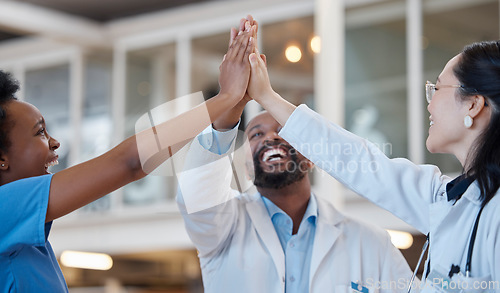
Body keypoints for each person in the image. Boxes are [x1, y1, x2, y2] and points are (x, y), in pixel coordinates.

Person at [0, 25, 255, 292]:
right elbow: (129, 162)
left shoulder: (28, 240)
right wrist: (225, 97)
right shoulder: (4, 209)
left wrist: (228, 106)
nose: (55, 142)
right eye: (40, 132)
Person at [175, 16, 413, 293]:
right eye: (256, 134)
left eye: (284, 131)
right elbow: (195, 193)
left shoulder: (371, 243)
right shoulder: (222, 227)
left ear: (311, 156)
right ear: (247, 168)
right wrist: (229, 104)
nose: (272, 137)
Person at [246, 34, 500, 292]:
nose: (430, 104)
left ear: (473, 104)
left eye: (437, 89)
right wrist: (266, 96)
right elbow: (354, 158)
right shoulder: (445, 198)